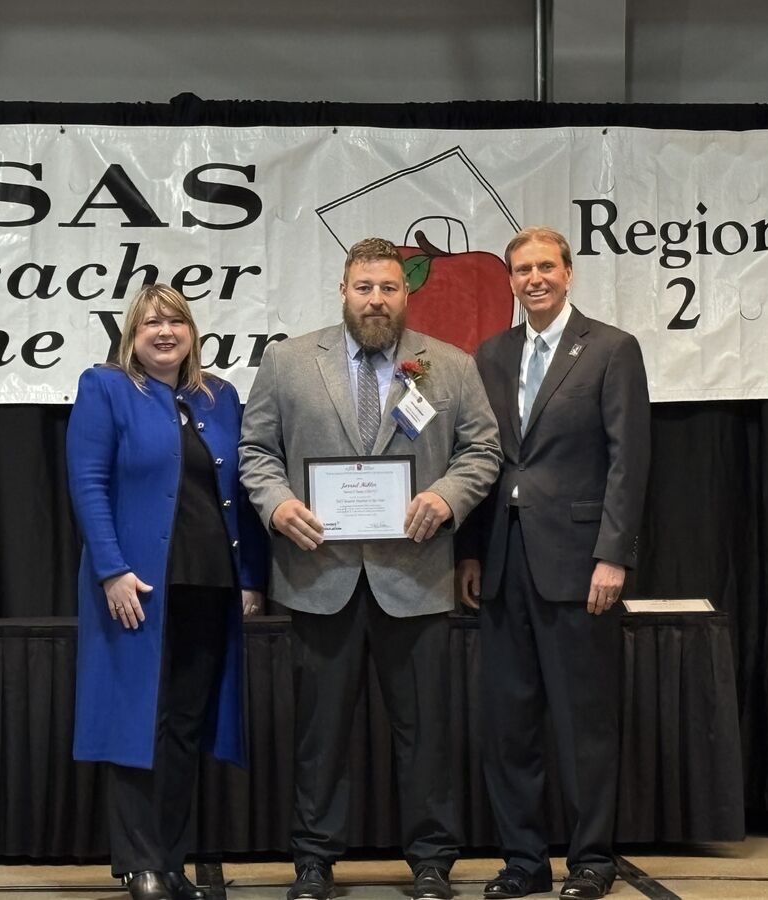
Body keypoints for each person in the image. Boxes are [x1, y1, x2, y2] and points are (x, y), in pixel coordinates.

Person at [239, 238, 501, 900]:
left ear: (406, 294)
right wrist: (279, 506)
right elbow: (255, 452)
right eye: (364, 286)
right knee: (318, 734)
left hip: (415, 579)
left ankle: (434, 861)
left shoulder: (450, 366)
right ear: (343, 289)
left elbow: (483, 451)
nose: (376, 299)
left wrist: (446, 497)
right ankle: (313, 861)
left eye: (388, 287)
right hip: (317, 577)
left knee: (427, 734)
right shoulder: (288, 360)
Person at [455, 226, 651, 900]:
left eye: (544, 266)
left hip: (579, 565)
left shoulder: (610, 350)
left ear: (569, 273)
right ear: (509, 281)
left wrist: (612, 556)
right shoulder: (492, 354)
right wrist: (472, 551)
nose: (532, 278)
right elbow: (478, 459)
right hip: (505, 564)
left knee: (583, 725)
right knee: (510, 726)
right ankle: (523, 862)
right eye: (520, 270)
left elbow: (630, 461)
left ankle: (592, 859)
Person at [67, 283, 267, 900]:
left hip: (210, 583)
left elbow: (249, 488)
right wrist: (110, 569)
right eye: (150, 322)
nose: (163, 331)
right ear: (132, 333)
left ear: (191, 332)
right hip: (138, 586)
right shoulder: (106, 387)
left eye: (174, 321)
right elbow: (88, 482)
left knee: (185, 725)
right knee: (138, 722)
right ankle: (140, 862)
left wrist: (252, 579)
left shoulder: (221, 396)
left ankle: (172, 861)